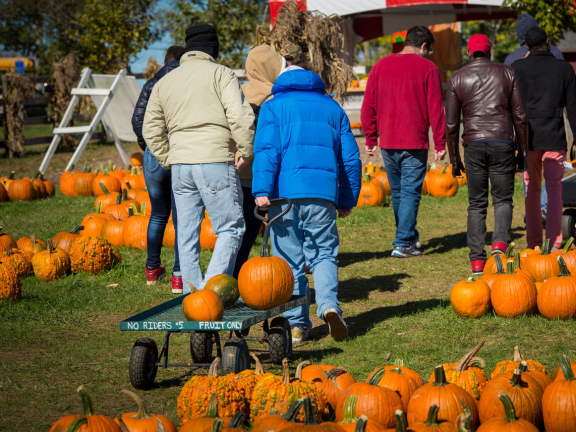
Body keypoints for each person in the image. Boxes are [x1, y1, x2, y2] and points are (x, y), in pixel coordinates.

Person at [252, 50, 361, 343]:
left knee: (288, 260)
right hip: (323, 193)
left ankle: (298, 325)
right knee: (324, 253)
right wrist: (347, 198)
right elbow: (350, 158)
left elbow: (266, 151)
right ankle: (328, 306)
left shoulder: (272, 107)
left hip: (282, 196)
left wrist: (261, 190)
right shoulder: (332, 107)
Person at [143, 25, 254, 293]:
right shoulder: (221, 74)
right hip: (216, 161)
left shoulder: (165, 81)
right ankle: (209, 293)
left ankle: (192, 294)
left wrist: (168, 158)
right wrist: (246, 152)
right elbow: (241, 117)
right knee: (231, 228)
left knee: (187, 233)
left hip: (181, 167)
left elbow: (150, 129)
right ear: (213, 49)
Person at [446, 34, 528, 276]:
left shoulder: (457, 77)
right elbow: (520, 117)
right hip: (503, 141)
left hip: (473, 144)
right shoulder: (508, 73)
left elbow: (451, 124)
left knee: (476, 203)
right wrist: (522, 152)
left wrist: (454, 160)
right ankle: (500, 245)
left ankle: (477, 262)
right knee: (502, 200)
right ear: (490, 51)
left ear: (470, 53)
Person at [361, 25, 446, 258]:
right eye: (429, 50)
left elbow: (369, 103)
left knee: (398, 193)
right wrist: (440, 142)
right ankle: (402, 243)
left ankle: (406, 237)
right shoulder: (428, 67)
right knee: (409, 193)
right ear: (424, 46)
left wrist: (370, 136)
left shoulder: (380, 66)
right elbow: (436, 108)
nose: (429, 55)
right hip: (414, 141)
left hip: (388, 141)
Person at [511, 27, 576, 251]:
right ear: (547, 42)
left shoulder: (517, 68)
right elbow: (573, 109)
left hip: (527, 139)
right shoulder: (564, 69)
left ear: (526, 47)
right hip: (554, 136)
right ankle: (555, 244)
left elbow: (511, 107)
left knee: (532, 191)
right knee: (555, 189)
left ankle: (534, 244)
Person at [131, 45, 185, 293]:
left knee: (157, 214)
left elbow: (137, 120)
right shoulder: (185, 81)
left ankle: (152, 270)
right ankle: (178, 276)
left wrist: (148, 147)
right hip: (179, 151)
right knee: (181, 217)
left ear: (165, 61)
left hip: (154, 154)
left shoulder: (152, 83)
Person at [505, 12, 565, 222]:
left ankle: (534, 208)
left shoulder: (512, 59)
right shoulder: (555, 52)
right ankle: (545, 208)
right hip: (552, 121)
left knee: (529, 172)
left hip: (524, 123)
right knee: (553, 174)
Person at [232, 45, 283, 279]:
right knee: (273, 230)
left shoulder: (236, 91)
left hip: (235, 170)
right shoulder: (277, 96)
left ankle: (231, 276)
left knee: (237, 234)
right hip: (263, 175)